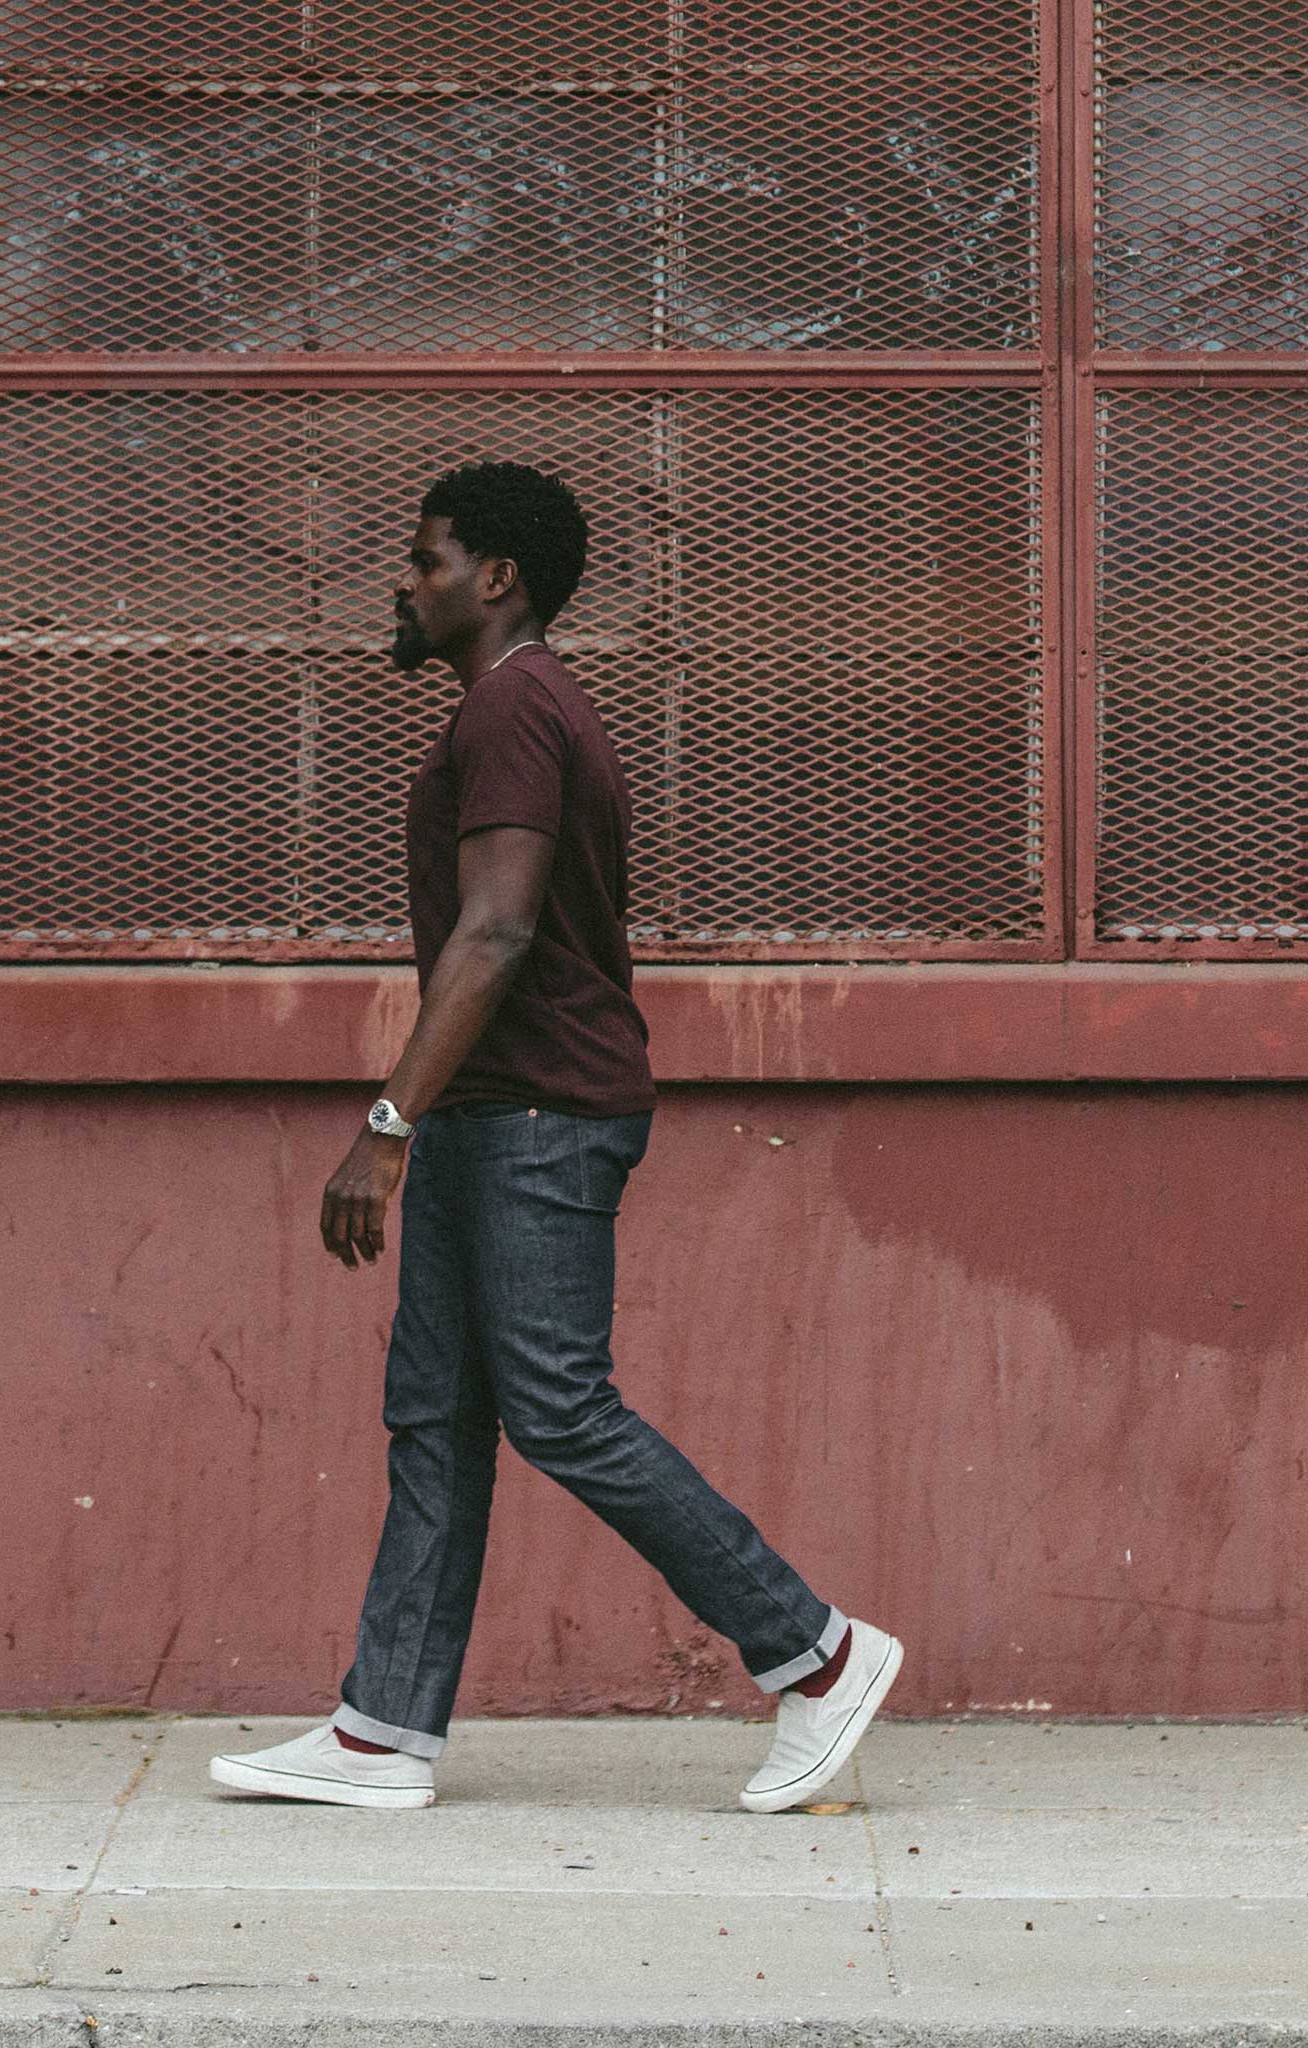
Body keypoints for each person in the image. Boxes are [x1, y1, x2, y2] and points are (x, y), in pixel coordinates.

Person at [209, 461, 900, 1813]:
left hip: (537, 1117)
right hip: (496, 1114)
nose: (406, 583)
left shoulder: (519, 706)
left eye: (426, 559)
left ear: (498, 577)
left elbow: (499, 930)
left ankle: (814, 1656)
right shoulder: (505, 705)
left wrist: (385, 1120)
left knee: (560, 1412)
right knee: (438, 1416)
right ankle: (383, 1730)